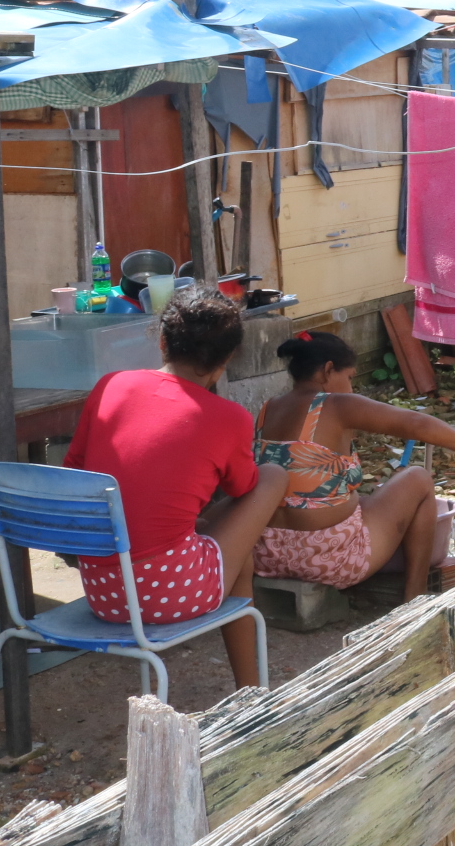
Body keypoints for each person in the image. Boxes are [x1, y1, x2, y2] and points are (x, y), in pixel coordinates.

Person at [63, 287, 287, 688]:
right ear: (227, 358)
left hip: (101, 590)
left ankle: (250, 691)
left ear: (163, 341)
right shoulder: (229, 417)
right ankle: (251, 692)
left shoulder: (110, 386)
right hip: (167, 592)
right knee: (272, 477)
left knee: (231, 554)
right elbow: (244, 488)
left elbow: (74, 472)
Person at [253, 331, 455, 600]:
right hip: (328, 560)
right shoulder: (335, 404)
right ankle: (415, 596)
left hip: (266, 555)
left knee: (367, 498)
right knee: (418, 478)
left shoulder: (269, 409)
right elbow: (417, 424)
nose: (351, 387)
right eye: (349, 378)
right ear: (327, 371)